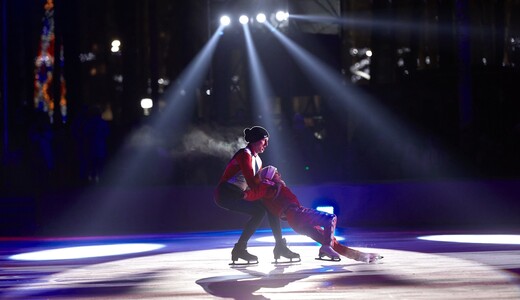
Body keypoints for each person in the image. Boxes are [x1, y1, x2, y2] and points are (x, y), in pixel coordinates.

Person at [244, 165, 383, 263]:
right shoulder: (268, 186)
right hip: (296, 214)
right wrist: (245, 194)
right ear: (270, 177)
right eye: (276, 173)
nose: (279, 174)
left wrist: (365, 257)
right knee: (331, 218)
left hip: (295, 222)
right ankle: (326, 248)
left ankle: (363, 257)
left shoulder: (272, 186)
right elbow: (257, 192)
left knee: (330, 241)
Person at [214, 126, 300, 264]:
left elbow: (258, 183)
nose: (266, 145)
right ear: (255, 140)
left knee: (269, 208)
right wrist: (270, 178)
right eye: (264, 141)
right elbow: (253, 183)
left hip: (239, 192)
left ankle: (279, 246)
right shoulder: (244, 154)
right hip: (226, 193)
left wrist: (274, 179)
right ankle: (241, 248)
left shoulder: (258, 160)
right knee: (260, 211)